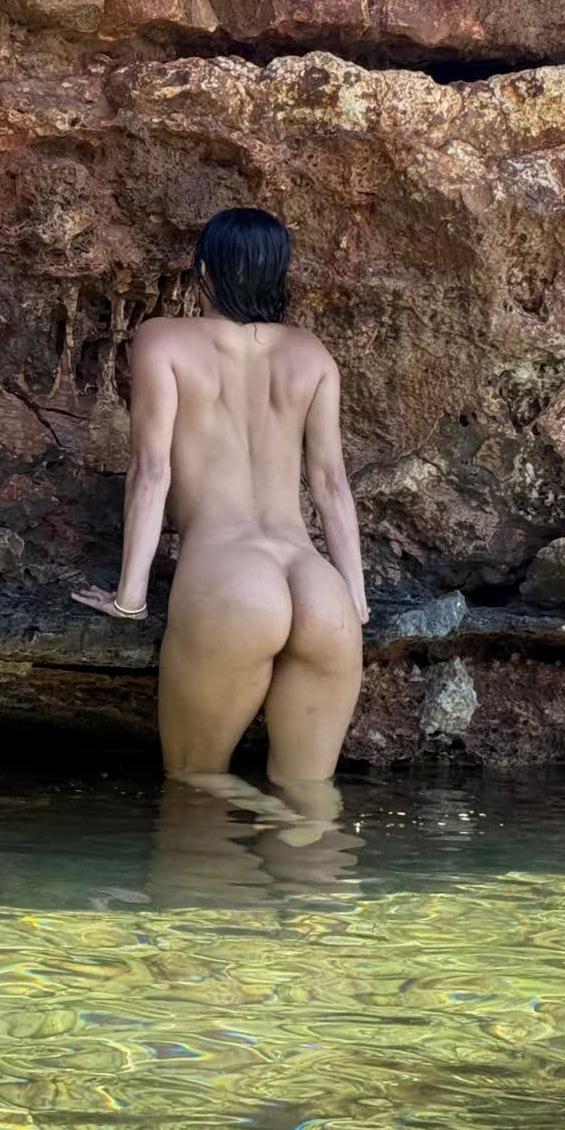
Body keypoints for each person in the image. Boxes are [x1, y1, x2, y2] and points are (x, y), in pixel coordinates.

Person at [72, 208, 368, 792]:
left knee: (194, 787)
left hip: (232, 583)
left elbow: (152, 472)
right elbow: (332, 485)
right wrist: (355, 600)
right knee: (312, 802)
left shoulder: (163, 339)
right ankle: (287, 826)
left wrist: (130, 599)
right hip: (321, 589)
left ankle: (244, 816)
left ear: (204, 269)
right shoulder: (312, 354)